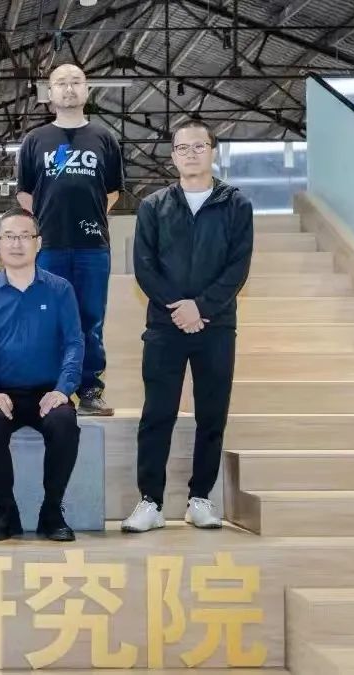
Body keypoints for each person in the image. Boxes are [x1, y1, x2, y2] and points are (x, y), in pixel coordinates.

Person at [122, 119, 253, 533]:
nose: (191, 154)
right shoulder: (153, 206)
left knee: (212, 414)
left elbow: (238, 266)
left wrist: (202, 307)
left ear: (213, 151)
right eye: (183, 148)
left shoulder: (236, 205)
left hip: (217, 325)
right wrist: (179, 308)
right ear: (173, 156)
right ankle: (150, 501)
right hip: (165, 325)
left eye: (199, 146)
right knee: (157, 413)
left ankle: (200, 498)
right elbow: (144, 266)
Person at [0, 207, 85, 542]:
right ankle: (5, 512)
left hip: (49, 392)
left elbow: (74, 343)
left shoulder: (59, 289)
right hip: (1, 393)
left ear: (38, 243)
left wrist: (63, 389)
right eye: (9, 237)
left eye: (24, 236)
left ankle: (52, 511)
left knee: (64, 424)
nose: (17, 244)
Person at [16, 63, 124, 416]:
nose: (69, 88)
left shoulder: (104, 138)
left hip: (93, 247)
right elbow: (25, 194)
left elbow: (112, 191)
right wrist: (48, 222)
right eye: (61, 83)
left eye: (76, 82)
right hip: (49, 247)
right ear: (49, 93)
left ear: (87, 90)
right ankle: (50, 388)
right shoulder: (35, 141)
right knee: (48, 319)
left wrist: (88, 219)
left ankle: (90, 389)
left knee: (90, 319)